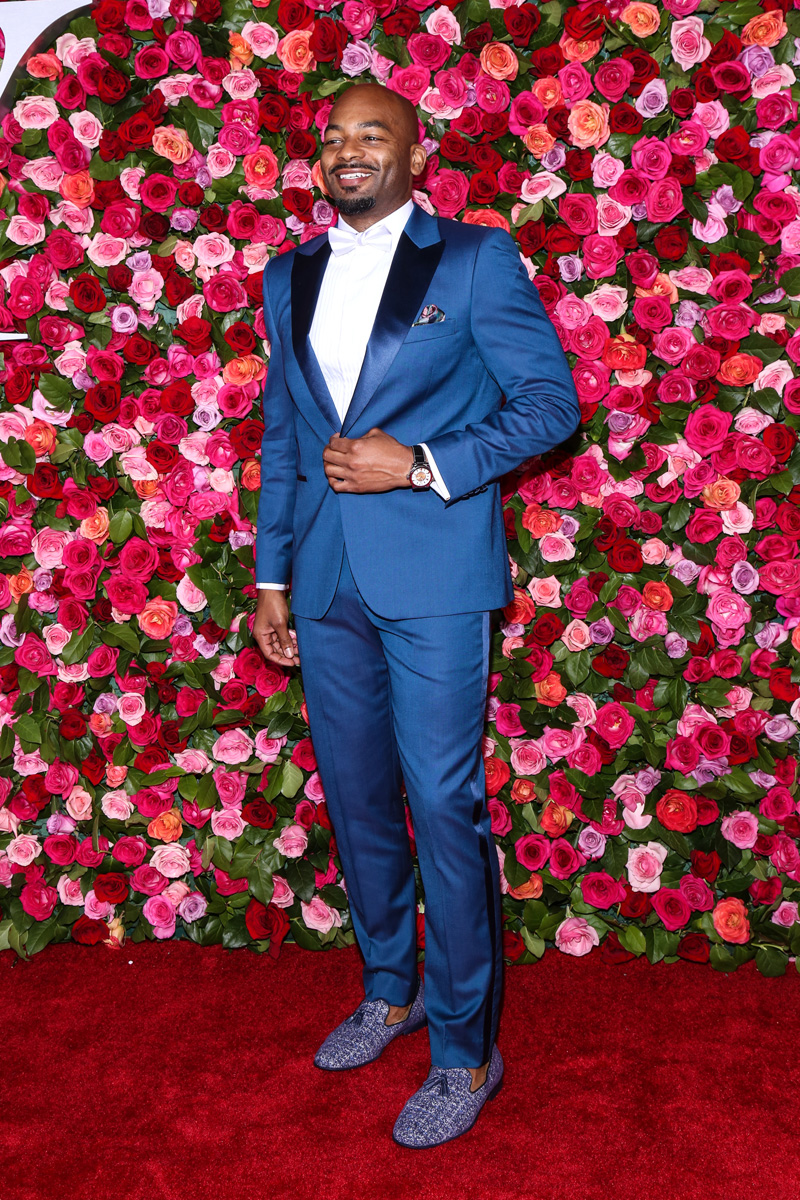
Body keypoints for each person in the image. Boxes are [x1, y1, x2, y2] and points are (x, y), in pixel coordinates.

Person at [252, 81, 580, 1149]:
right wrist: (269, 578)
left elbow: (549, 405)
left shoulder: (475, 260)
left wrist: (425, 465)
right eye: (334, 137)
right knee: (354, 797)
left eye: (371, 134)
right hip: (324, 579)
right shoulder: (286, 274)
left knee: (441, 805)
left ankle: (463, 1048)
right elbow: (286, 439)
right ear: (318, 161)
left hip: (436, 573)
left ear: (412, 151)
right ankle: (386, 987)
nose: (350, 151)